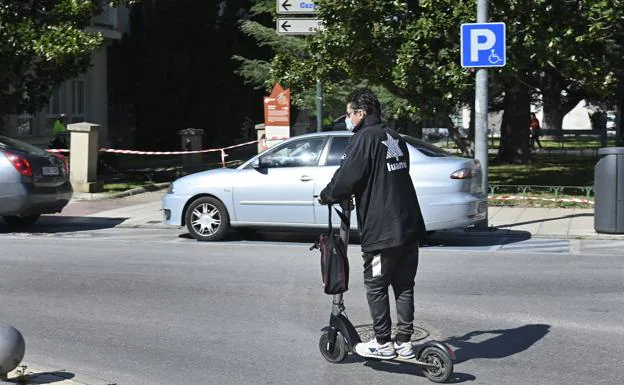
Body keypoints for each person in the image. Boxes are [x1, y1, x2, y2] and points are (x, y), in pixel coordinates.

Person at [318, 87, 427, 360]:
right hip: (408, 225)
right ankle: (404, 342)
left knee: (376, 285)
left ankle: (383, 343)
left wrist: (328, 195)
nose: (347, 119)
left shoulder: (364, 138)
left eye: (348, 114)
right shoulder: (394, 137)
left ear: (361, 113)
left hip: (383, 229)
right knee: (404, 285)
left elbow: (347, 177)